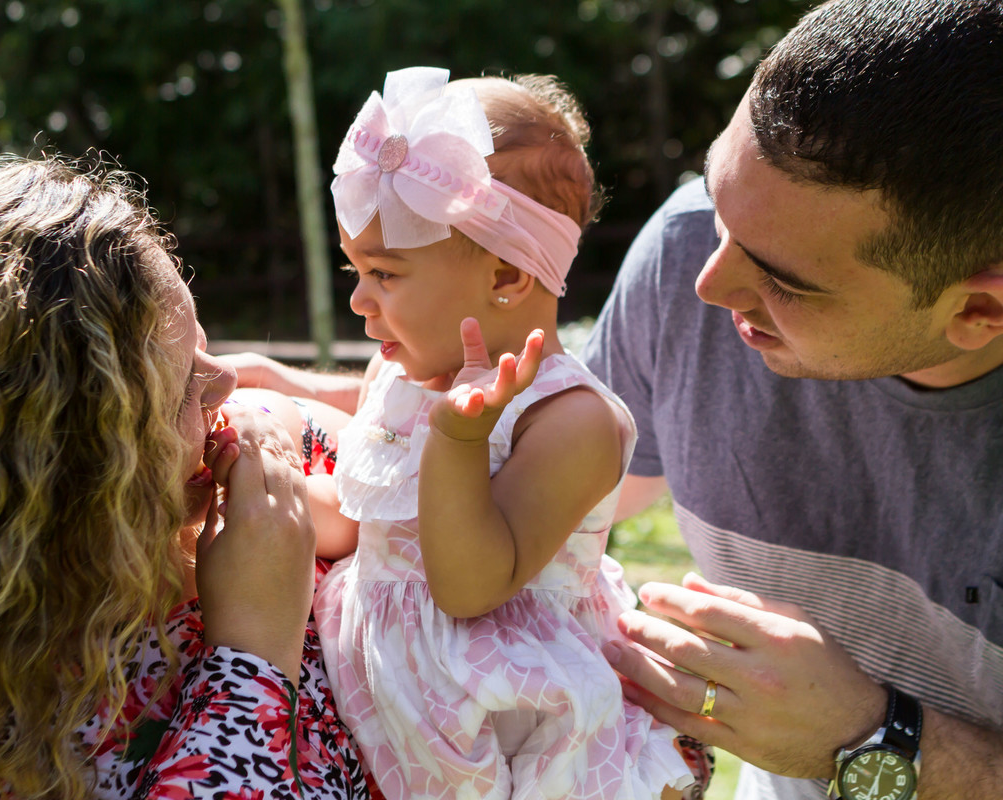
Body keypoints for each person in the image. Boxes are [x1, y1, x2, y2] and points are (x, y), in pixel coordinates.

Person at [579, 1, 1003, 798]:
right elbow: (577, 473)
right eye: (718, 208)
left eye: (784, 282)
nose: (707, 285)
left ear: (981, 312)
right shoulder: (690, 249)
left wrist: (871, 741)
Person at [0, 154, 372, 799]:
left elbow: (441, 429)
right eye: (179, 391)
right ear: (62, 476)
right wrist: (256, 654)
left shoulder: (243, 455)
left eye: (205, 342)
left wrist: (302, 390)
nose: (225, 380)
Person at [239, 67, 699, 800]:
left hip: (491, 717)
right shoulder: (415, 371)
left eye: (385, 274)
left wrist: (456, 444)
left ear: (508, 278)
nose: (359, 300)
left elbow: (469, 586)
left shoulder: (572, 419)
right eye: (353, 270)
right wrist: (280, 402)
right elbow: (371, 470)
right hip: (386, 677)